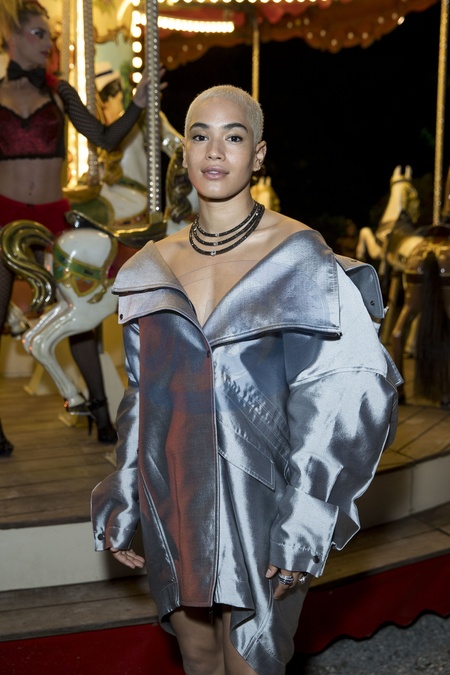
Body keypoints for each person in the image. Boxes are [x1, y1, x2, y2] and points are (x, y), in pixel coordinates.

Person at [91, 85, 401, 674]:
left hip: (262, 498)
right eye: (200, 136)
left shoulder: (300, 260)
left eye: (233, 137)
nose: (215, 151)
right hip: (174, 492)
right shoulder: (150, 267)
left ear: (257, 154)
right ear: (184, 152)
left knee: (249, 661)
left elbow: (345, 391)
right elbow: (140, 394)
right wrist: (126, 489)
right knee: (198, 656)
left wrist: (306, 514)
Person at [0, 1, 153, 455]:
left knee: (80, 312)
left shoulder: (59, 92)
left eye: (49, 35)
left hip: (52, 215)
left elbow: (105, 138)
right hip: (4, 216)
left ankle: (100, 413)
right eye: (38, 34)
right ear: (12, 38)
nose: (48, 43)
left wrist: (137, 105)